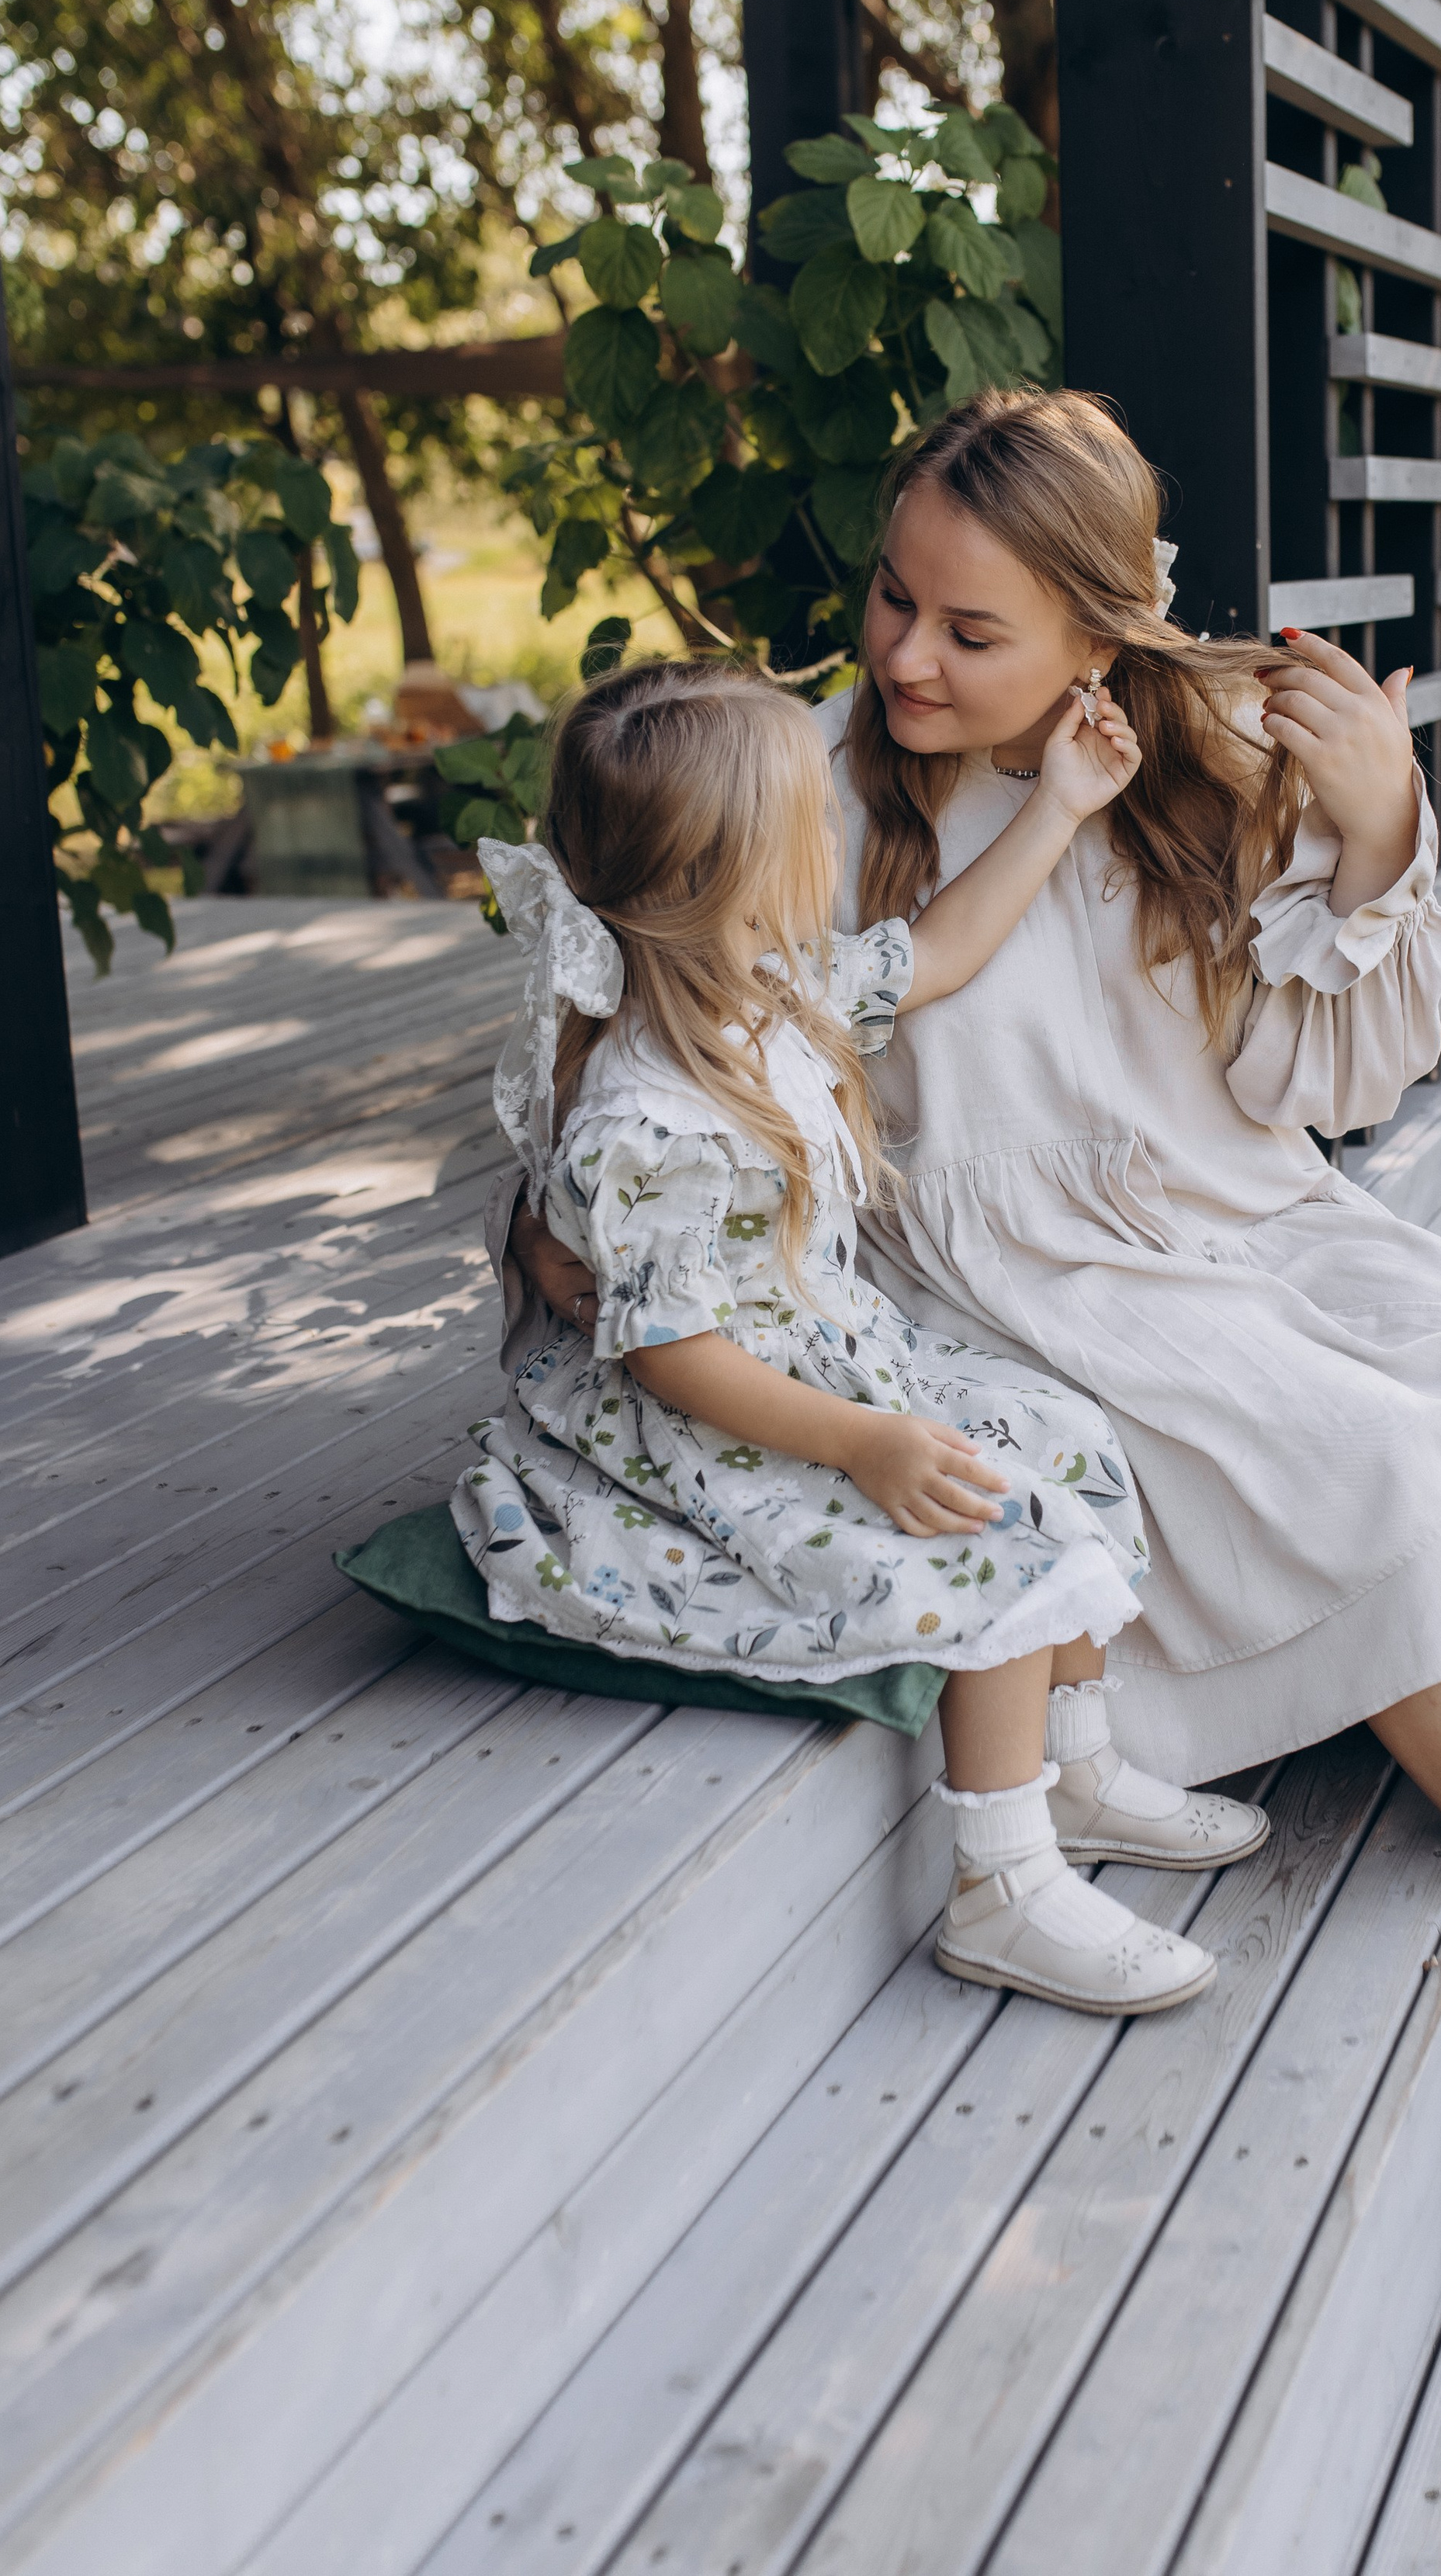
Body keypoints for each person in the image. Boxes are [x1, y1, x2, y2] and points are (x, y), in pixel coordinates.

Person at [510, 389, 1441, 2238]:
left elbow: (1304, 1074)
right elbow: (654, 1067)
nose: (905, 654)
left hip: (1236, 1208)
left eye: (969, 627)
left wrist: (1367, 817)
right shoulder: (804, 797)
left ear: (1099, 631)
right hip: (1013, 1274)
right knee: (1375, 1464)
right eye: (891, 598)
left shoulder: (1170, 766)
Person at [461, 654, 1270, 2020]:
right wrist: (866, 1444)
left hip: (824, 1363)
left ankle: (1072, 1766)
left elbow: (942, 949)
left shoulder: (771, 991)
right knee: (985, 1538)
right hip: (727, 1422)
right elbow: (673, 1356)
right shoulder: (648, 1115)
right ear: (730, 871)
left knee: (1060, 1432)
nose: (834, 834)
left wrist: (1063, 804)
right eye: (808, 823)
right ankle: (1000, 1882)